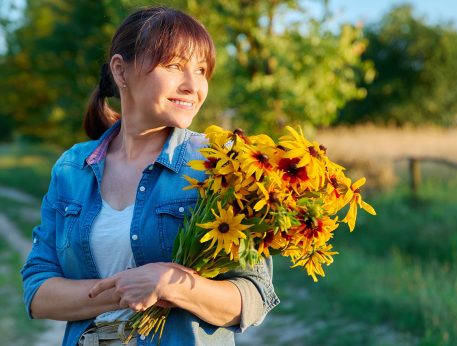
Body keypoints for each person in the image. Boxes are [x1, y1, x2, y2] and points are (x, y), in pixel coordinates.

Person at [21, 6, 279, 346]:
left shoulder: (222, 165)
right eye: (174, 66)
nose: (193, 86)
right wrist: (129, 289)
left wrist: (169, 284)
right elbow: (38, 291)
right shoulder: (71, 169)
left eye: (201, 71)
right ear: (120, 70)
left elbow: (254, 296)